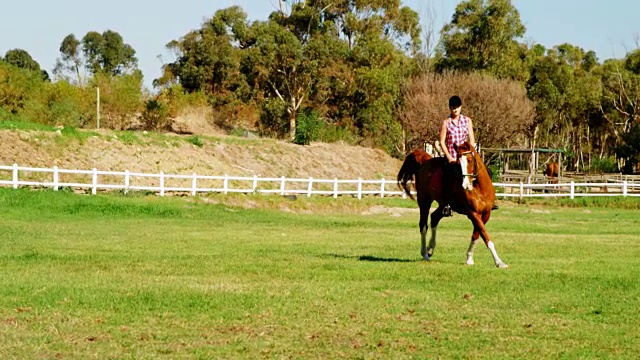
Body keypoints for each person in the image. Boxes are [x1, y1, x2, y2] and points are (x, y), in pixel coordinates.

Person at [438, 95, 474, 217]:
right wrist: (448, 157)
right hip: (452, 157)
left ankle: (486, 199)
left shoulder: (467, 121)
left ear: (461, 107)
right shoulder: (446, 123)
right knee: (448, 176)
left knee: (482, 172)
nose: (455, 110)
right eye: (453, 108)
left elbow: (472, 140)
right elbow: (442, 142)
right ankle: (447, 204)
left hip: (466, 157)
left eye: (457, 107)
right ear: (450, 108)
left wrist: (469, 154)